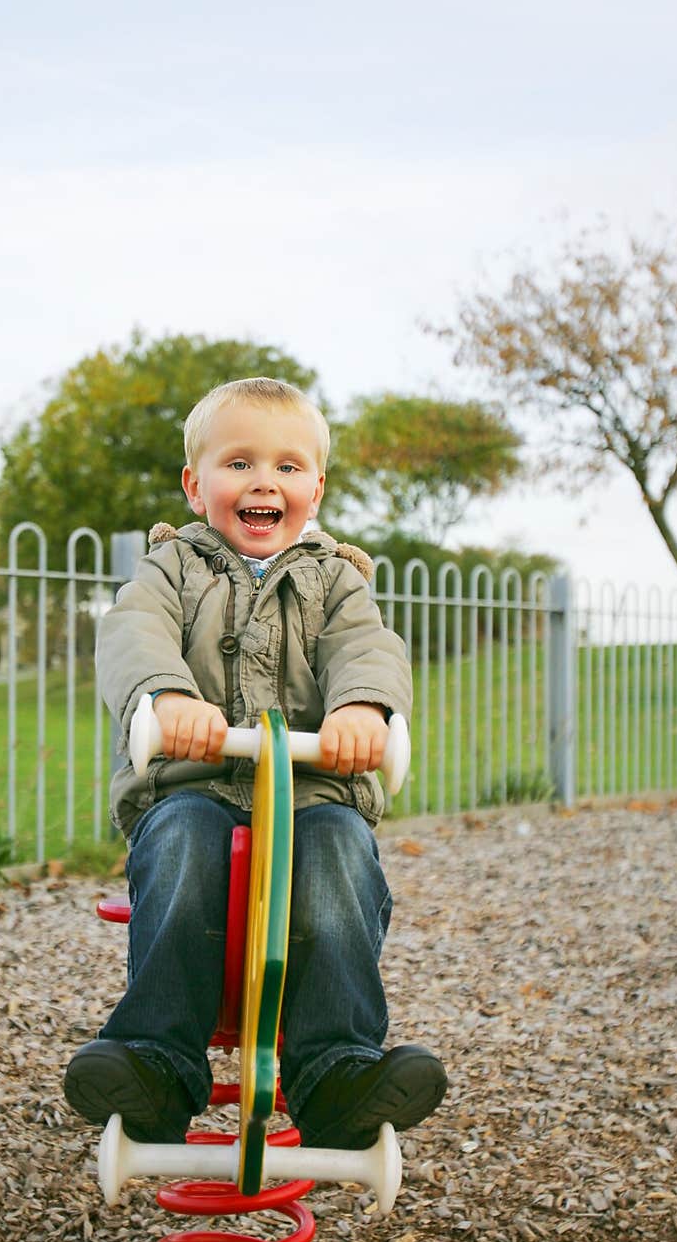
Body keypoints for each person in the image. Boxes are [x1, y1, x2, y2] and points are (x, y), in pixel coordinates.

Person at [63, 376, 447, 1150]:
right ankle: (155, 1063)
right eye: (238, 463)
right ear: (195, 483)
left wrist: (360, 710)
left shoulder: (338, 580)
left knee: (341, 855)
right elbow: (133, 631)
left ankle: (338, 1072)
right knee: (180, 849)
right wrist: (167, 697)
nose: (264, 481)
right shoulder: (171, 568)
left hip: (312, 794)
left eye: (288, 467)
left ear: (317, 487)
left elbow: (366, 649)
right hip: (192, 785)